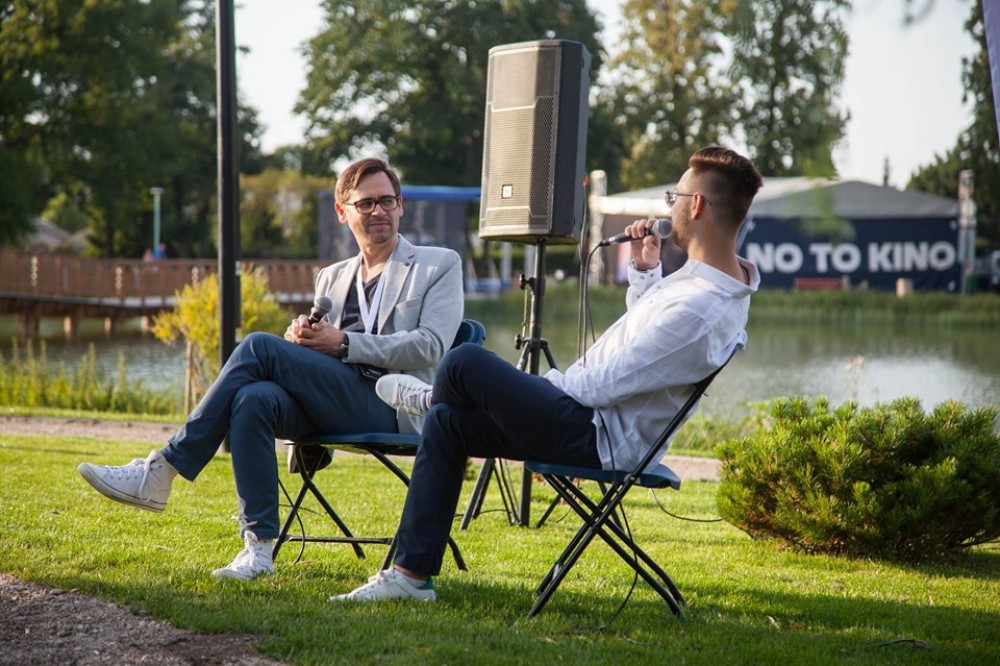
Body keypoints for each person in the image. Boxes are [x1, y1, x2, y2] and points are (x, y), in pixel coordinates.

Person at [333, 145, 764, 602]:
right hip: (586, 418)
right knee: (447, 421)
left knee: (463, 362)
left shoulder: (701, 308)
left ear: (696, 206)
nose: (668, 206)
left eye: (674, 196)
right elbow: (643, 347)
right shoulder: (700, 284)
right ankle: (411, 577)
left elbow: (601, 386)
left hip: (596, 434)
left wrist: (535, 389)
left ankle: (427, 396)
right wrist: (645, 272)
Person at [77, 157, 464, 581]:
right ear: (342, 212)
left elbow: (431, 346)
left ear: (401, 205)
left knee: (259, 346)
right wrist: (304, 340)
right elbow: (325, 351)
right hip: (333, 400)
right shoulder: (332, 277)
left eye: (387, 201)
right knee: (253, 398)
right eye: (365, 203)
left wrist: (343, 342)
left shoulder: (438, 264)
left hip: (394, 405)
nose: (378, 211)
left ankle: (163, 470)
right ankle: (258, 549)